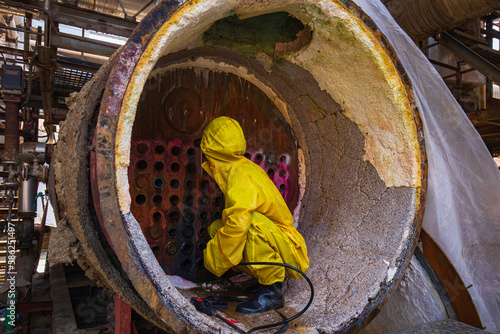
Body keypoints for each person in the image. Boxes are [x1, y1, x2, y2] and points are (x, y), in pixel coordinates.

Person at [197, 116, 309, 314]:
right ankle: (263, 279)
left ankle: (272, 290)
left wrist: (213, 260)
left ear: (212, 150)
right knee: (217, 228)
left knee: (248, 224)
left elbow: (238, 224)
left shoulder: (240, 176)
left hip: (288, 250)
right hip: (278, 241)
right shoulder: (240, 168)